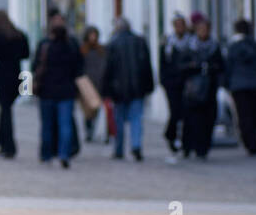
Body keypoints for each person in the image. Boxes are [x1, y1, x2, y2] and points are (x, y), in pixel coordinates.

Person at [33, 9, 84, 168]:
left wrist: (26, 90)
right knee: (65, 125)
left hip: (47, 92)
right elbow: (79, 68)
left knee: (47, 125)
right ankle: (64, 154)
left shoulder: (44, 46)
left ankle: (46, 155)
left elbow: (34, 67)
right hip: (66, 91)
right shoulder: (72, 46)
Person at [101, 16, 155, 161]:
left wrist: (106, 89)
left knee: (119, 119)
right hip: (137, 87)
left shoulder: (113, 43)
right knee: (136, 118)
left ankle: (119, 148)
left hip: (119, 89)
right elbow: (147, 66)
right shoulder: (139, 41)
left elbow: (108, 69)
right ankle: (136, 145)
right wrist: (149, 85)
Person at [225, 18, 256, 155]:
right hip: (255, 84)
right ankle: (252, 142)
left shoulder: (233, 47)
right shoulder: (255, 45)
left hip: (238, 85)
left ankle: (249, 142)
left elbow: (227, 67)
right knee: (253, 113)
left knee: (243, 115)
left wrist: (227, 83)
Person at [179, 11, 224, 160]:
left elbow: (222, 65)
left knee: (208, 119)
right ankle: (191, 146)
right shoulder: (189, 46)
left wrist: (212, 68)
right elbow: (181, 66)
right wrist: (194, 66)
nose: (203, 33)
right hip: (193, 89)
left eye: (206, 30)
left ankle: (203, 147)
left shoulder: (214, 46)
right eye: (201, 29)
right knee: (193, 120)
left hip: (210, 88)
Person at [0, 10, 29, 159]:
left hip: (3, 74)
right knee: (6, 109)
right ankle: (2, 140)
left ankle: (7, 143)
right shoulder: (19, 35)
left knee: (5, 110)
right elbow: (26, 54)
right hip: (17, 74)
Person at [160, 12, 192, 153]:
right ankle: (170, 136)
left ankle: (186, 143)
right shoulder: (168, 42)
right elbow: (163, 63)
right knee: (175, 112)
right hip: (172, 83)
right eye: (177, 25)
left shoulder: (191, 41)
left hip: (187, 83)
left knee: (186, 113)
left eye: (182, 25)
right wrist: (164, 81)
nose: (179, 28)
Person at [80, 25, 108, 142]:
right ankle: (89, 130)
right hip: (86, 83)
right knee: (88, 111)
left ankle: (94, 129)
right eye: (91, 35)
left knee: (96, 109)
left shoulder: (101, 49)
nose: (93, 37)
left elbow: (104, 64)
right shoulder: (83, 50)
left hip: (99, 82)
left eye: (94, 35)